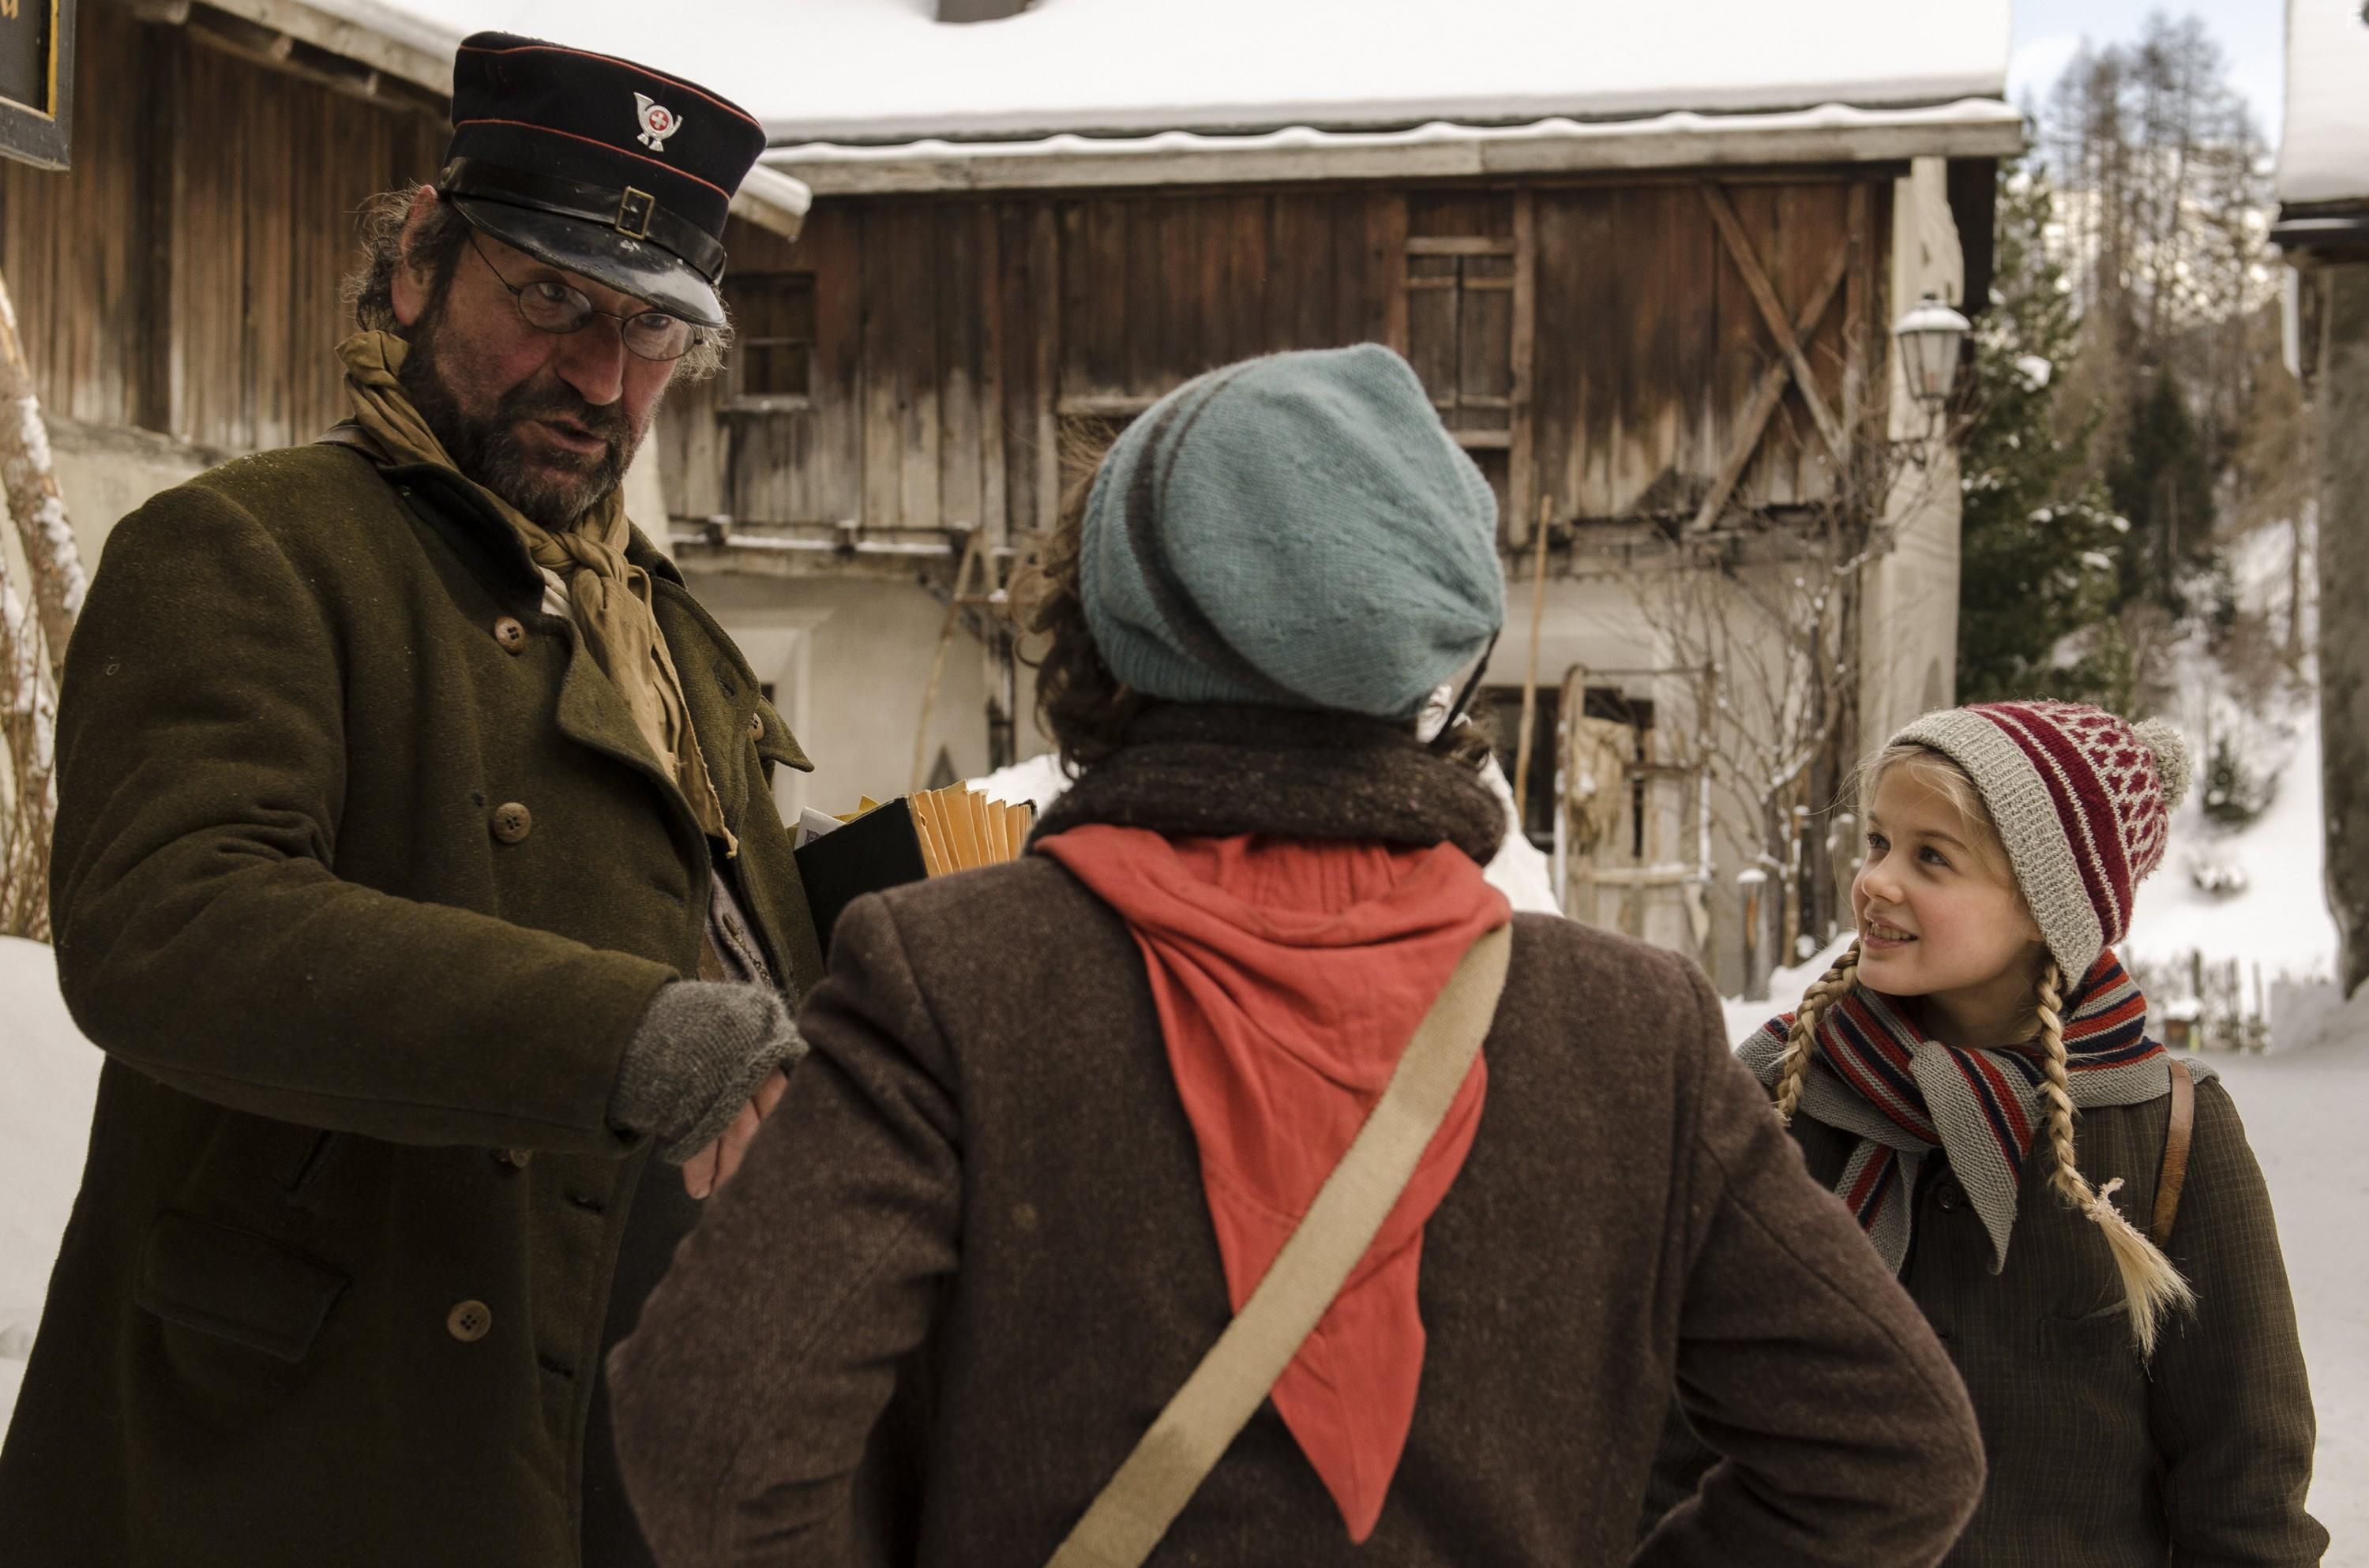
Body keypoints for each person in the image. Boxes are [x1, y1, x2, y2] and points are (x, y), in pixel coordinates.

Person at [606, 343, 1988, 1567]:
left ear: (1100, 633)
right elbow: (1895, 1453)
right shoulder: (1634, 1032)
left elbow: (712, 1435)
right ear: (1425, 656)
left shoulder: (952, 978)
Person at [0, 34, 822, 1568]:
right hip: (312, 1448)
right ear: (417, 270)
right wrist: (630, 1038)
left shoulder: (645, 609)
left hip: (593, 1405)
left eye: (651, 331)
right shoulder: (247, 547)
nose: (600, 375)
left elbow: (689, 894)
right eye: (549, 299)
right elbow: (173, 925)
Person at [1646, 701, 2328, 1565]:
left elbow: (2248, 1475)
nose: (1878, 881)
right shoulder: (1780, 1095)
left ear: (2052, 908)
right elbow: (1667, 1425)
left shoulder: (2162, 1125)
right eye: (1879, 843)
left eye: (1933, 857)